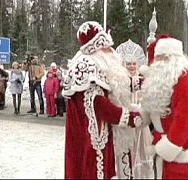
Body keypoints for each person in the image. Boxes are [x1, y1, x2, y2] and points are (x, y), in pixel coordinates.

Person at [62, 21, 144, 179]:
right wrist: (131, 118)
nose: (111, 50)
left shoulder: (98, 65)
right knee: (92, 171)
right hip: (89, 140)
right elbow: (99, 105)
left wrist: (139, 82)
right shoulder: (88, 66)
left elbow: (115, 84)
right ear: (97, 48)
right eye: (106, 46)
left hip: (97, 135)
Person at [140, 35, 188, 179]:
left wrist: (170, 145)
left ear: (174, 59)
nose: (159, 62)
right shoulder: (160, 81)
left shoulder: (184, 79)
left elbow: (185, 119)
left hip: (180, 145)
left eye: (163, 58)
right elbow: (153, 108)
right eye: (158, 58)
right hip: (162, 144)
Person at [116, 39, 154, 179]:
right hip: (126, 121)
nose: (131, 66)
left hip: (141, 123)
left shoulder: (142, 80)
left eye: (133, 63)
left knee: (142, 150)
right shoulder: (121, 81)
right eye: (128, 64)